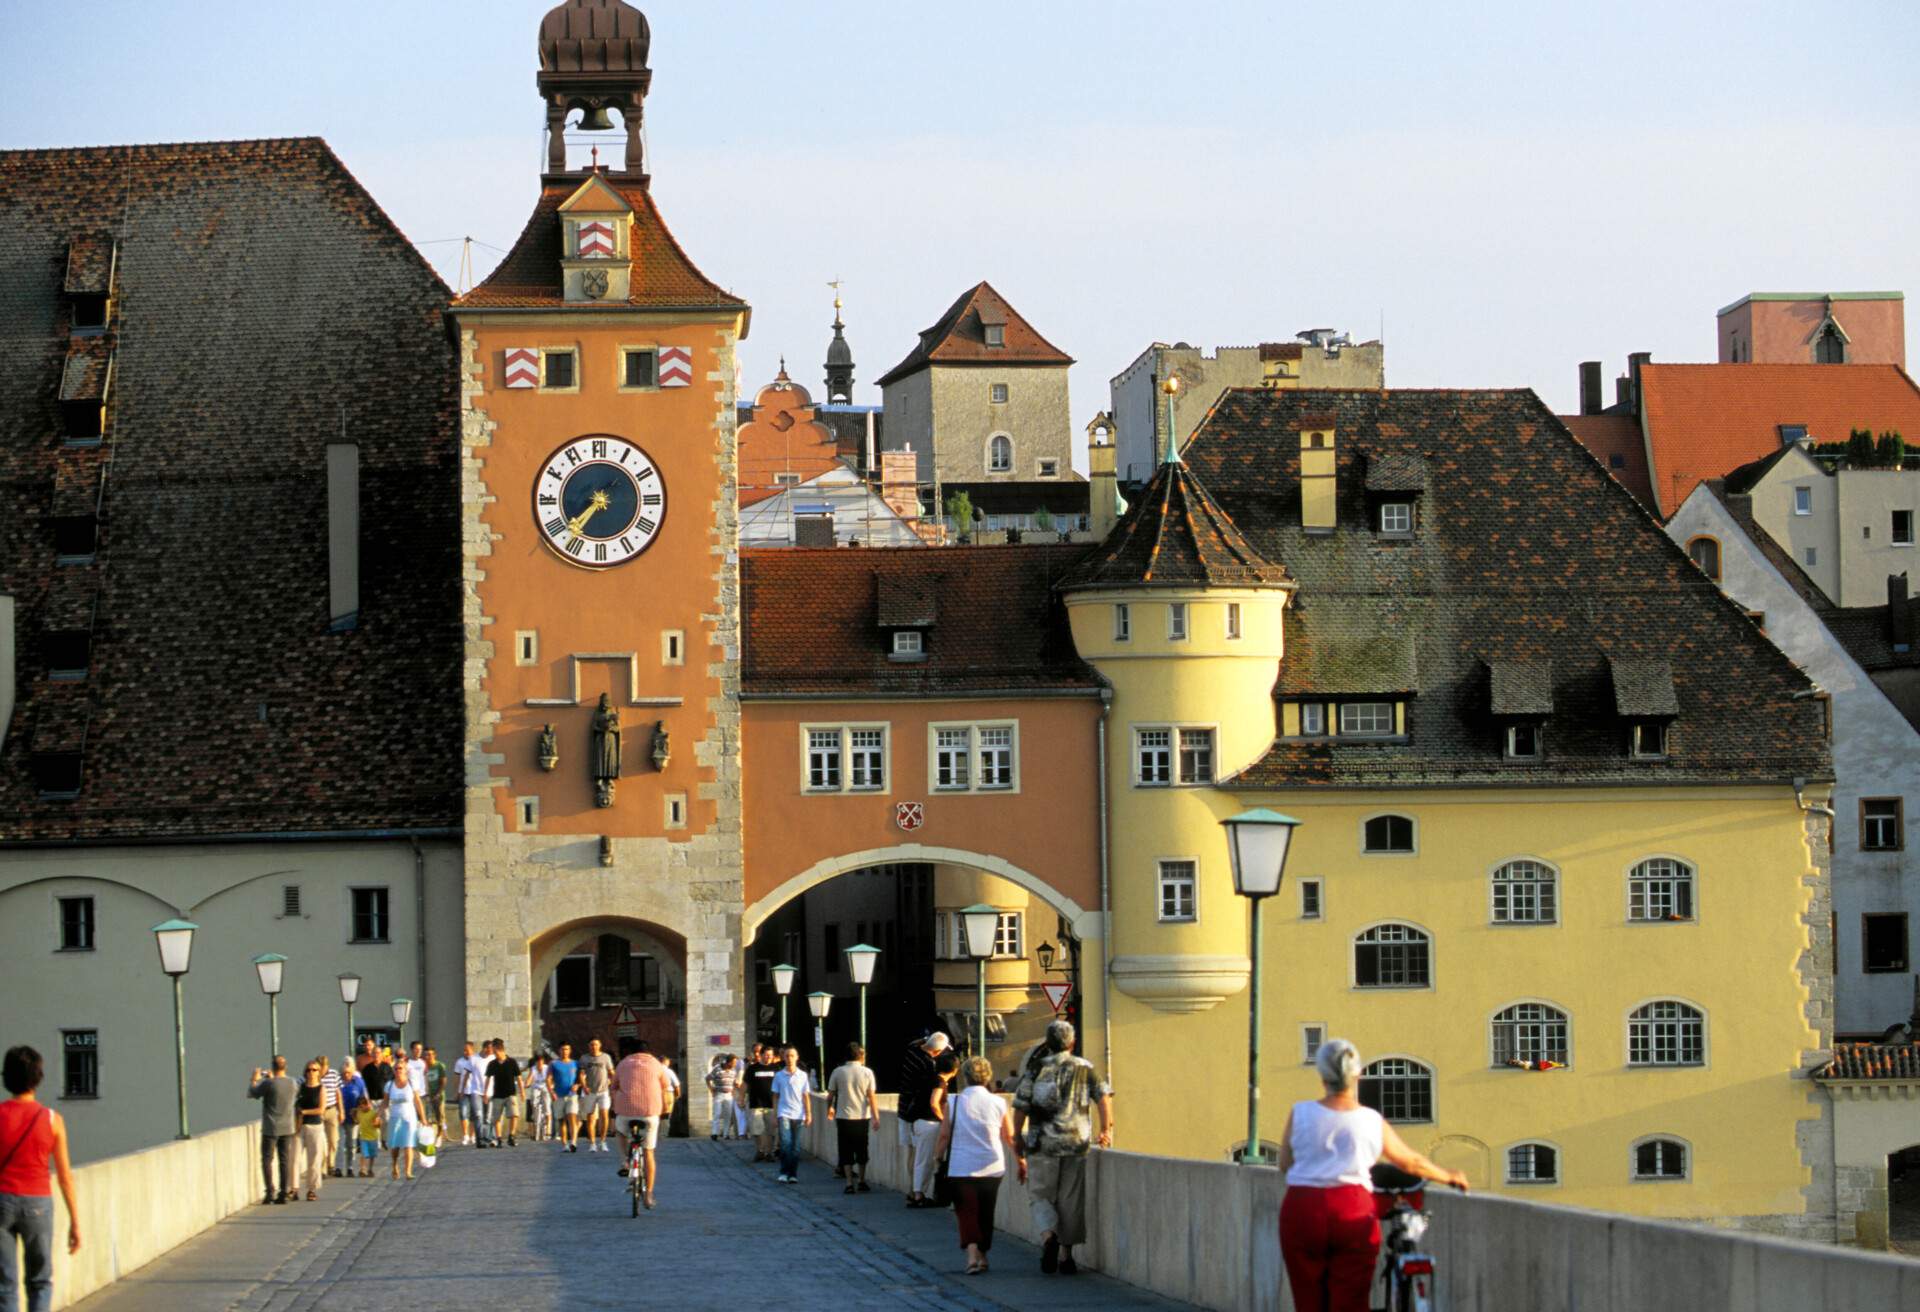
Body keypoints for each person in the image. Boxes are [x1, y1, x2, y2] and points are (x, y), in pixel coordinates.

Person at [1277, 1039, 1467, 1312]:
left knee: (1309, 1299)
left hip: (1303, 1209)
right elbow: (1411, 1163)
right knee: (1351, 1300)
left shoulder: (1301, 1113)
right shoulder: (1370, 1119)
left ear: (1322, 1076)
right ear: (1357, 1075)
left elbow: (1285, 1164)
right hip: (1352, 1209)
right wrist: (1448, 1176)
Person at [1010, 1019, 1113, 1277]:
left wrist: (1017, 1139)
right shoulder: (1085, 1068)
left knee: (1040, 1195)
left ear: (1048, 1043)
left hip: (1042, 1143)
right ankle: (1067, 1257)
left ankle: (1048, 1236)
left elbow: (1021, 1105)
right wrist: (1105, 1129)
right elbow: (1103, 1098)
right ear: (1072, 1042)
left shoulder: (1035, 1069)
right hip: (1075, 1143)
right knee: (1071, 1200)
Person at [1, 1046, 80, 1312]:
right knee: (40, 1281)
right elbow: (65, 1176)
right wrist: (75, 1222)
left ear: (6, 1077)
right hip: (38, 1203)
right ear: (38, 1078)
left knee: (5, 1285)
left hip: (1, 1201)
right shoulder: (52, 1120)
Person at [936, 1056, 1020, 1276]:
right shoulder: (999, 1102)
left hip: (960, 1166)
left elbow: (944, 1135)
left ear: (965, 1077)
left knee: (966, 1212)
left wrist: (937, 1158)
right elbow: (1009, 1136)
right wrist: (1021, 1159)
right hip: (991, 1166)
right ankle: (983, 1255)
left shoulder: (953, 1102)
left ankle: (972, 1254)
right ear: (988, 1077)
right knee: (986, 1212)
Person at [611, 1038, 674, 1208]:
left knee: (620, 1131)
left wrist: (615, 1101)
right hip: (650, 1112)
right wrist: (665, 1109)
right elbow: (666, 1088)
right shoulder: (656, 1064)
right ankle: (649, 1195)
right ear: (648, 1051)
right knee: (649, 1153)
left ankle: (625, 1160)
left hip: (625, 1111)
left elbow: (613, 1086)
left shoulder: (623, 1064)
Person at [897, 1032, 948, 1207]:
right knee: (919, 1156)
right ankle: (916, 1192)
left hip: (903, 1109)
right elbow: (933, 1098)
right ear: (937, 1052)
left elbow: (915, 1041)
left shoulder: (911, 1050)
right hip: (918, 1113)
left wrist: (926, 1040)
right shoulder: (929, 1065)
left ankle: (911, 1190)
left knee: (911, 1154)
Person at [826, 1043, 880, 1195]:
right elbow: (871, 1097)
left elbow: (830, 1095)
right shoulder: (867, 1072)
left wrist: (830, 1108)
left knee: (845, 1150)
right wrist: (876, 1116)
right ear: (861, 1056)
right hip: (862, 1116)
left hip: (843, 1116)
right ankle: (862, 1180)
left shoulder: (838, 1072)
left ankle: (849, 1183)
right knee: (862, 1149)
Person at [247, 1057, 298, 1205]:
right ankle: (283, 1192)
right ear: (285, 1066)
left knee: (267, 1160)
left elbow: (252, 1093)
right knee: (284, 1160)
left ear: (273, 1067)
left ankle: (270, 1192)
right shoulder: (293, 1083)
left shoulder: (268, 1083)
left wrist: (254, 1079)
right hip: (287, 1126)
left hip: (271, 1127)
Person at [769, 1046, 811, 1184]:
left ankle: (793, 1173)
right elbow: (775, 1096)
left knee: (796, 1146)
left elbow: (805, 1096)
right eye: (787, 1056)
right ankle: (783, 1172)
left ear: (797, 1057)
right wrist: (775, 1114)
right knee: (786, 1143)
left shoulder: (803, 1075)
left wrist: (808, 1113)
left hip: (798, 1114)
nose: (790, 1058)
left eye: (792, 1055)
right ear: (783, 1058)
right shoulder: (779, 1075)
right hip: (784, 1112)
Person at [383, 1059, 423, 1180]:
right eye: (396, 1069)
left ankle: (408, 1171)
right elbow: (385, 1103)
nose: (398, 1071)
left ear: (405, 1070)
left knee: (408, 1145)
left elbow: (417, 1101)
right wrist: (378, 1115)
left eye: (400, 1068)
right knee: (395, 1147)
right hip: (395, 1117)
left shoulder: (412, 1083)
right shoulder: (389, 1085)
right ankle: (395, 1165)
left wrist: (423, 1118)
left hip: (409, 1118)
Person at [293, 1060, 327, 1201]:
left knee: (314, 1159)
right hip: (300, 1127)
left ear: (319, 1072)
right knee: (294, 1158)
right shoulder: (301, 1088)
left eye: (314, 1070)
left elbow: (321, 1109)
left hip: (315, 1126)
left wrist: (305, 1112)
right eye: (309, 1070)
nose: (311, 1073)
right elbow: (294, 1105)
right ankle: (293, 1189)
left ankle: (311, 1189)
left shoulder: (321, 1089)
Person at [579, 1038, 616, 1153]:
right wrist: (584, 1086)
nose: (593, 1047)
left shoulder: (606, 1057)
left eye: (595, 1044)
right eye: (591, 1045)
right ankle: (592, 1143)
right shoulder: (584, 1058)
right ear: (588, 1046)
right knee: (590, 1117)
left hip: (603, 1091)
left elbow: (611, 1072)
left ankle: (603, 1141)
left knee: (604, 1114)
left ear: (600, 1045)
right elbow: (581, 1074)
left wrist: (613, 1083)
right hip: (590, 1091)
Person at [744, 1044, 779, 1163]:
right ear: (761, 1055)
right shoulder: (752, 1069)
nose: (768, 1057)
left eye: (771, 1055)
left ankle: (769, 1152)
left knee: (770, 1131)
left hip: (772, 1104)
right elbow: (745, 1084)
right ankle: (760, 1150)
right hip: (756, 1103)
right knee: (756, 1130)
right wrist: (741, 1097)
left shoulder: (777, 1069)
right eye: (766, 1055)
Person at [454, 1041, 491, 1147]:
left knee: (476, 1114)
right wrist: (458, 1090)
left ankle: (473, 1135)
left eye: (467, 1050)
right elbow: (457, 1077)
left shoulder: (475, 1059)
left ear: (472, 1049)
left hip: (475, 1090)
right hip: (464, 1091)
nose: (465, 1052)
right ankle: (465, 1135)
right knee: (463, 1113)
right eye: (464, 1050)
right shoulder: (459, 1062)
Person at [337, 1056, 368, 1176]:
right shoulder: (338, 1081)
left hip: (353, 1118)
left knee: (351, 1144)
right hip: (339, 1117)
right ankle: (338, 1167)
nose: (346, 1075)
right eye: (344, 1073)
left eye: (348, 1073)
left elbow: (364, 1099)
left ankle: (350, 1167)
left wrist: (360, 1110)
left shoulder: (358, 1082)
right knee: (339, 1143)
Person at [487, 1039, 522, 1148]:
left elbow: (519, 1077)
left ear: (498, 1049)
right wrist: (485, 1093)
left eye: (493, 1049)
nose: (492, 1052)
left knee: (514, 1114)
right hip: (497, 1094)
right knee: (496, 1117)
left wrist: (522, 1091)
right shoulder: (492, 1063)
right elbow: (487, 1079)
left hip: (511, 1093)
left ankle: (511, 1136)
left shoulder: (512, 1062)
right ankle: (499, 1138)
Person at [548, 1043, 581, 1152]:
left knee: (572, 1117)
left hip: (572, 1095)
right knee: (561, 1120)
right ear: (559, 1051)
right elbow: (548, 1079)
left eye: (567, 1049)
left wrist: (578, 1085)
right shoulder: (554, 1064)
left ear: (570, 1050)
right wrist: (551, 1092)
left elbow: (581, 1078)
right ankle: (565, 1144)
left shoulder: (575, 1063)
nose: (565, 1051)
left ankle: (573, 1142)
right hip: (558, 1095)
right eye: (562, 1049)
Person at [317, 1056, 344, 1178]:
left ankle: (330, 1164)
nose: (322, 1070)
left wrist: (341, 1110)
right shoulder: (314, 1075)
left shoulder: (334, 1074)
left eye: (324, 1067)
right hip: (319, 1111)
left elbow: (338, 1093)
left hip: (332, 1109)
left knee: (333, 1140)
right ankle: (322, 1169)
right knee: (321, 1142)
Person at [706, 1054, 738, 1141]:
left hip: (729, 1095)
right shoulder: (717, 1069)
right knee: (717, 1113)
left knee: (728, 1115)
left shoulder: (733, 1071)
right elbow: (708, 1078)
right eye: (734, 1062)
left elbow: (734, 1082)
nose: (735, 1064)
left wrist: (734, 1089)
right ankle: (714, 1133)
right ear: (729, 1062)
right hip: (719, 1094)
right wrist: (711, 1089)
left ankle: (726, 1134)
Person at [523, 1052, 552, 1142]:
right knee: (534, 1103)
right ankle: (536, 1127)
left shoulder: (547, 1068)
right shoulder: (533, 1069)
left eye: (541, 1061)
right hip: (536, 1089)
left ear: (543, 1061)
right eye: (537, 1062)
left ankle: (548, 1131)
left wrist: (552, 1086)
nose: (539, 1063)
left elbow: (551, 1079)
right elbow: (529, 1078)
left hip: (546, 1088)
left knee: (547, 1108)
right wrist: (526, 1084)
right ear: (535, 1062)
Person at [352, 1097, 382, 1178]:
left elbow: (379, 1125)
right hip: (363, 1138)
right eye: (360, 1107)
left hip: (373, 1138)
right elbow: (357, 1121)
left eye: (363, 1106)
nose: (362, 1108)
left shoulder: (373, 1113)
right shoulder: (359, 1113)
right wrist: (354, 1117)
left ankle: (370, 1169)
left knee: (372, 1155)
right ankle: (362, 1169)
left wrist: (376, 1123)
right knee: (364, 1154)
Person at [422, 1046, 448, 1139]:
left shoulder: (439, 1065)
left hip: (438, 1094)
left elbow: (444, 1081)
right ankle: (429, 1136)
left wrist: (438, 1093)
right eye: (426, 1055)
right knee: (427, 1116)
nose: (427, 1057)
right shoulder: (423, 1066)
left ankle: (439, 1135)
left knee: (439, 1116)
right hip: (426, 1095)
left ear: (434, 1055)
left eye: (430, 1054)